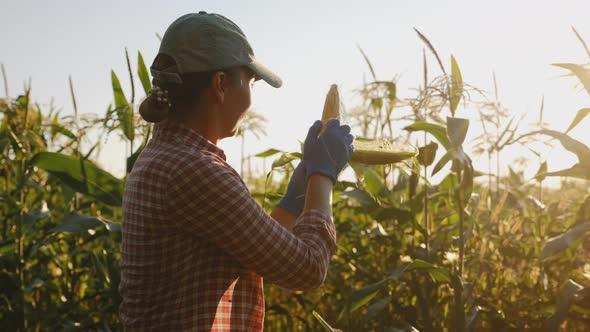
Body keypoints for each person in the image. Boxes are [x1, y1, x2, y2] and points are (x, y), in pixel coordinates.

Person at [119, 11, 354, 331]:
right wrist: (323, 175)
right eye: (252, 81)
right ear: (220, 84)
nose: (253, 96)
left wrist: (296, 197)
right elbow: (308, 269)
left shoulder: (167, 158)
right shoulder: (195, 170)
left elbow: (251, 250)